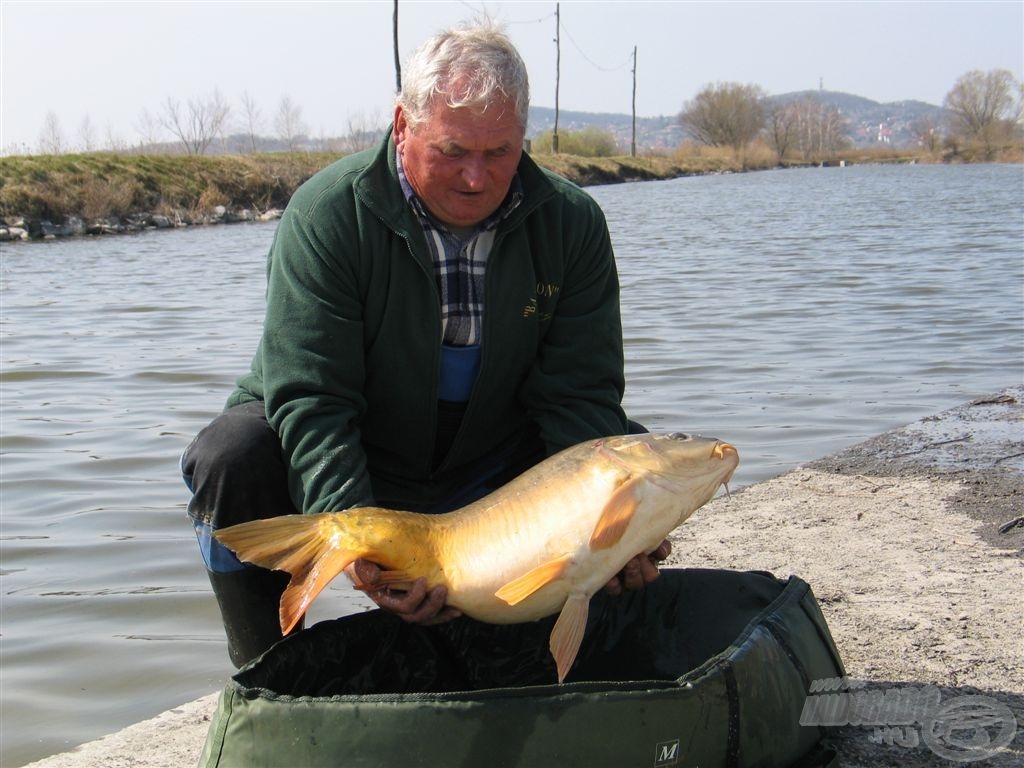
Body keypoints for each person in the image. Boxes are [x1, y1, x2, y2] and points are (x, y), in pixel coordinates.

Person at [181, 22, 669, 668]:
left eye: (500, 153)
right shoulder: (326, 215)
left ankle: (544, 630)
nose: (475, 177)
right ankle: (268, 674)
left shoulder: (571, 222)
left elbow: (579, 398)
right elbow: (315, 402)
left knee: (631, 457)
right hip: (363, 453)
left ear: (525, 136)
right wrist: (364, 542)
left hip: (490, 461)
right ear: (402, 125)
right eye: (452, 150)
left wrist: (604, 534)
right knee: (230, 457)